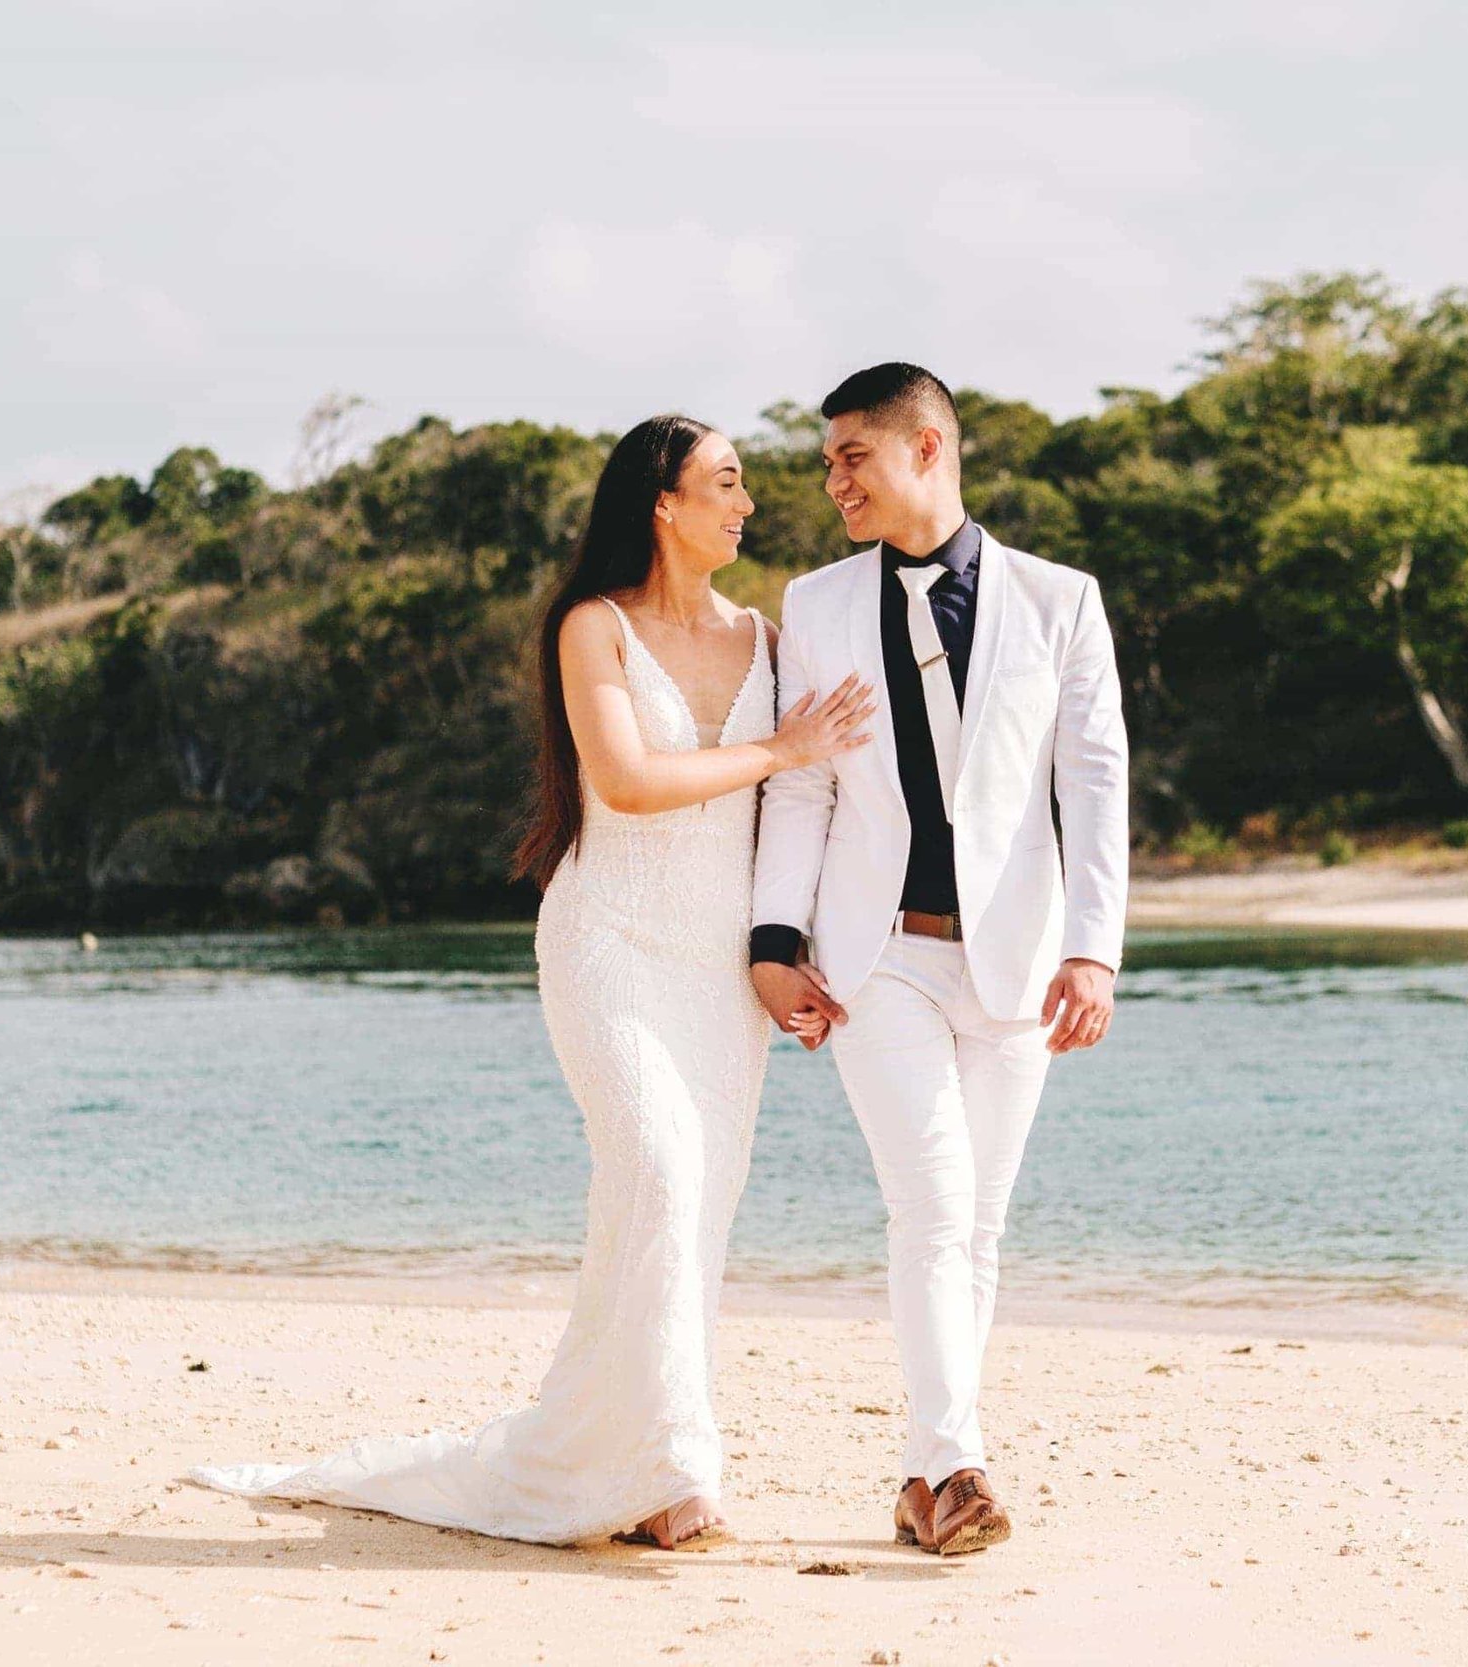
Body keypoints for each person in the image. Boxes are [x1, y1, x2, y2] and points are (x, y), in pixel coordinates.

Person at [190, 415, 875, 1550]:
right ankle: (659, 1469)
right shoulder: (590, 627)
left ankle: (657, 1455)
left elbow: (808, 816)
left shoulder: (769, 634)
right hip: (608, 939)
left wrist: (790, 948)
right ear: (662, 502)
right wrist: (779, 750)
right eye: (728, 483)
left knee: (690, 1204)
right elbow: (629, 777)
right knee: (656, 1166)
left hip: (716, 967)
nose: (748, 504)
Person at [748, 363, 1129, 1556]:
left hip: (1017, 966)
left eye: (850, 456)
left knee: (980, 1225)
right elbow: (804, 783)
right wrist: (773, 942)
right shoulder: (812, 605)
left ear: (926, 447)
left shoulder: (1060, 601)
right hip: (878, 958)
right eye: (825, 462)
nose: (832, 481)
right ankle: (958, 1464)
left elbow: (1095, 780)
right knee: (933, 1204)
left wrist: (1093, 949)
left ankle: (926, 1479)